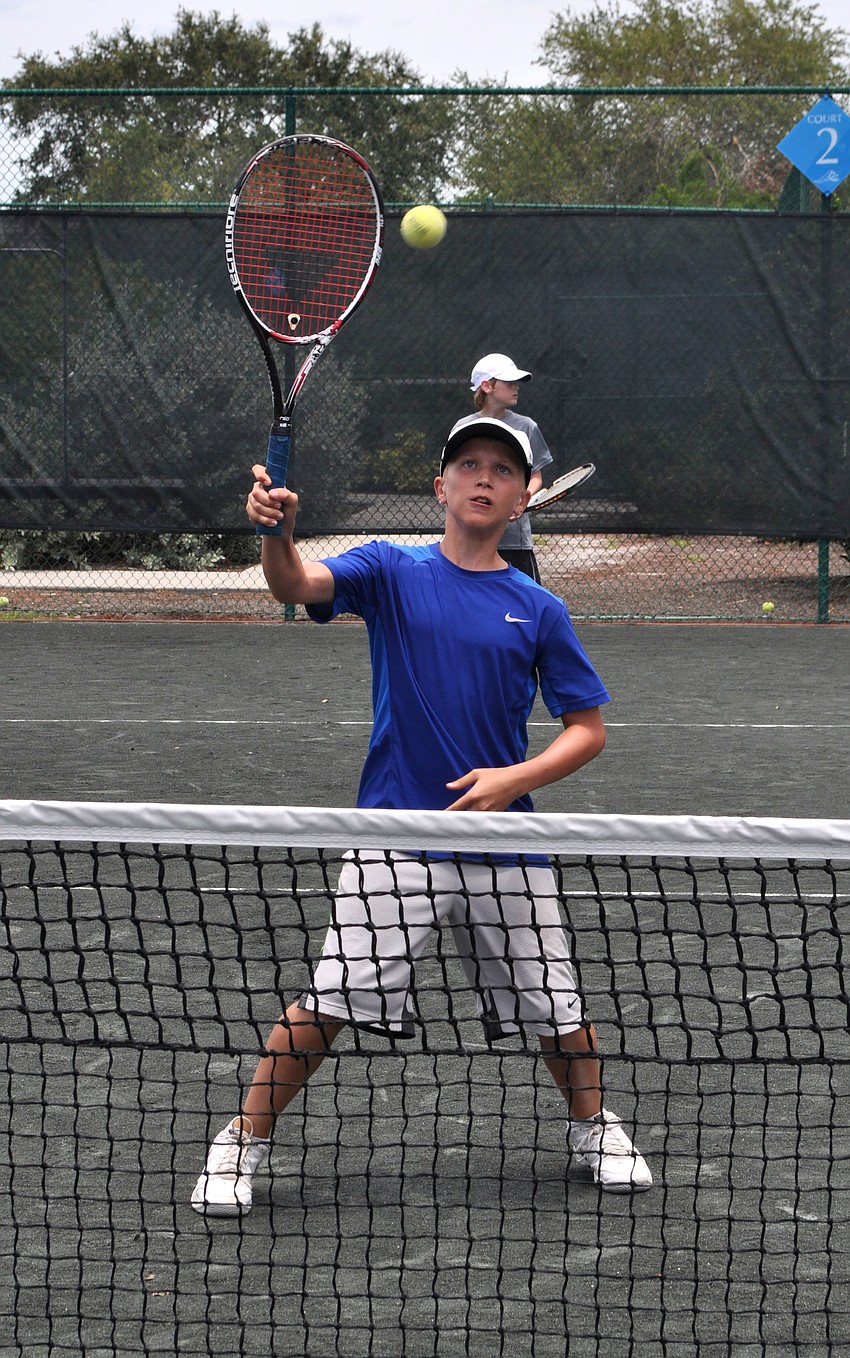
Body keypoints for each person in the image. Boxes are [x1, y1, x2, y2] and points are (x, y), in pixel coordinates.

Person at [191, 416, 652, 1216]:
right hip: (395, 839)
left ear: (521, 499)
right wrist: (276, 532)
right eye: (468, 464)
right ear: (441, 487)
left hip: (505, 845)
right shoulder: (388, 569)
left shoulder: (539, 608)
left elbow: (588, 729)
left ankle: (594, 1129)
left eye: (501, 469)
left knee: (558, 1009)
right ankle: (241, 1139)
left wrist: (511, 780)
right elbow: (294, 585)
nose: (484, 477)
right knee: (328, 1003)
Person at [466, 352, 554, 580]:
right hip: (473, 539)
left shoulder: (527, 427)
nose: (516, 387)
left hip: (515, 542)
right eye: (508, 382)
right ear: (487, 386)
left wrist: (520, 502)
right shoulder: (463, 428)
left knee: (523, 601)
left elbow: (535, 477)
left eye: (516, 382)